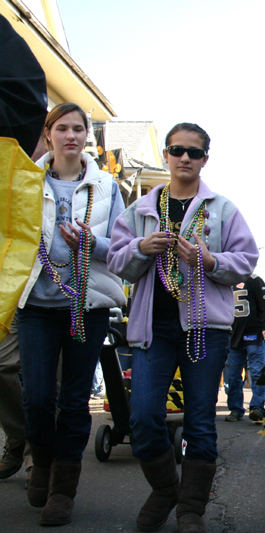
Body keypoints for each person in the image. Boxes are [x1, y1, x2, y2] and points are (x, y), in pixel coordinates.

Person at [108, 122, 258, 533]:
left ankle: (191, 509)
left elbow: (246, 260)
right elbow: (116, 260)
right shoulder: (140, 209)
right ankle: (165, 489)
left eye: (194, 152)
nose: (185, 158)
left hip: (204, 329)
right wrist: (141, 247)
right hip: (151, 328)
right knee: (141, 417)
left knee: (200, 421)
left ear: (205, 158)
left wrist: (209, 262)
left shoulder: (222, 208)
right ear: (167, 157)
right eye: (177, 150)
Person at [16, 102, 126, 526]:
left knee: (75, 400)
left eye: (78, 128)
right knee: (38, 397)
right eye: (62, 128)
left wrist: (90, 244)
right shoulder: (24, 180)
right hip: (37, 305)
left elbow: (121, 248)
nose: (71, 136)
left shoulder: (108, 186)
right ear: (48, 135)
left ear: (87, 136)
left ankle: (63, 489)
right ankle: (40, 461)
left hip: (87, 305)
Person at [0, 13, 47, 486]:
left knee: (21, 370)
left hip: (35, 285)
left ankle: (37, 444)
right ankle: (22, 435)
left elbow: (23, 92)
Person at [224, 274, 265, 423]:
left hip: (253, 335)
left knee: (257, 372)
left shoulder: (255, 280)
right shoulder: (226, 279)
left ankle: (257, 407)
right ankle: (235, 408)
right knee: (232, 375)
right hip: (233, 336)